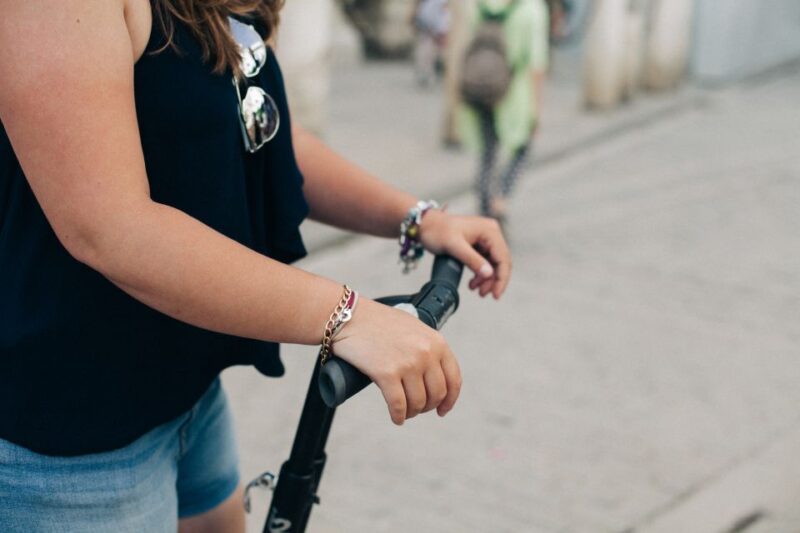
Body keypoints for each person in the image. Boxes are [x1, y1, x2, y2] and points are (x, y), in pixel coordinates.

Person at [0, 1, 511, 532]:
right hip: (71, 435)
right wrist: (348, 316)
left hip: (187, 394)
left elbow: (257, 126)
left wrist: (416, 218)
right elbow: (110, 227)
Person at [458, 0, 550, 222]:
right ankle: (500, 200)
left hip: (482, 84)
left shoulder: (482, 5)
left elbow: (469, 44)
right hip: (514, 90)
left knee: (488, 152)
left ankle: (483, 205)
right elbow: (536, 63)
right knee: (522, 147)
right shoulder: (533, 9)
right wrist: (537, 109)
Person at [412, 0, 451, 86]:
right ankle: (426, 72)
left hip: (436, 28)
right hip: (434, 28)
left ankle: (429, 72)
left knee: (431, 51)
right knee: (428, 50)